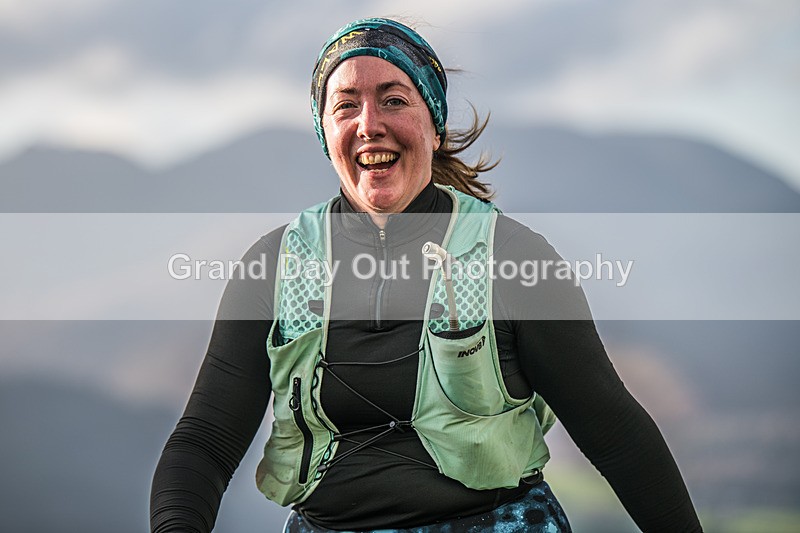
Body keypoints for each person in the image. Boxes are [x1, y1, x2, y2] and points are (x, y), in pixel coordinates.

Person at [150, 18, 703, 532]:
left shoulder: (512, 259)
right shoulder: (274, 268)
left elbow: (616, 436)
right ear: (325, 134)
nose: (370, 125)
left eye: (393, 100)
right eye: (346, 106)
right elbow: (204, 443)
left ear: (433, 126)